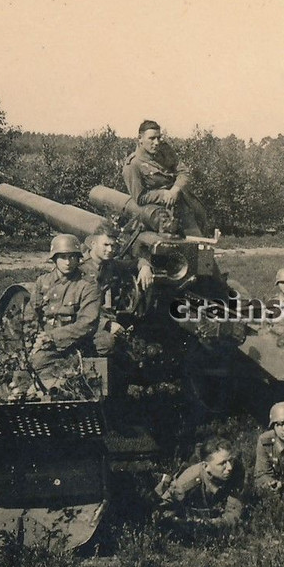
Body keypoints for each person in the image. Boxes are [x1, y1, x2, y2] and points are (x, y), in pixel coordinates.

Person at [26, 233, 101, 377]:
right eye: (63, 257)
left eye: (72, 257)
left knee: (40, 364)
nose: (68, 262)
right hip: (43, 342)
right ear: (54, 259)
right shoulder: (43, 282)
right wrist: (33, 340)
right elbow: (30, 315)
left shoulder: (87, 285)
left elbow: (87, 323)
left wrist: (52, 337)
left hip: (74, 342)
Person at [121, 119, 209, 237]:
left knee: (199, 243)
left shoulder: (165, 150)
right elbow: (140, 197)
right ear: (140, 139)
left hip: (183, 205)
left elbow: (183, 171)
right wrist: (163, 194)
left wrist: (175, 190)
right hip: (161, 214)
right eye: (151, 138)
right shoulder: (133, 165)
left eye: (159, 138)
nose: (156, 143)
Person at [81, 223, 154, 355]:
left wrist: (145, 267)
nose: (110, 250)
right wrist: (107, 324)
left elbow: (136, 262)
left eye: (113, 245)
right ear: (93, 244)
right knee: (107, 343)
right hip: (85, 322)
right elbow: (77, 308)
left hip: (107, 318)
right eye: (106, 245)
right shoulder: (79, 270)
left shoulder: (110, 265)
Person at [154, 439, 245, 527]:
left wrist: (214, 524)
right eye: (222, 463)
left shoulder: (236, 469)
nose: (230, 467)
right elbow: (162, 510)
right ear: (206, 466)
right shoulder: (187, 482)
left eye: (230, 460)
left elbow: (234, 513)